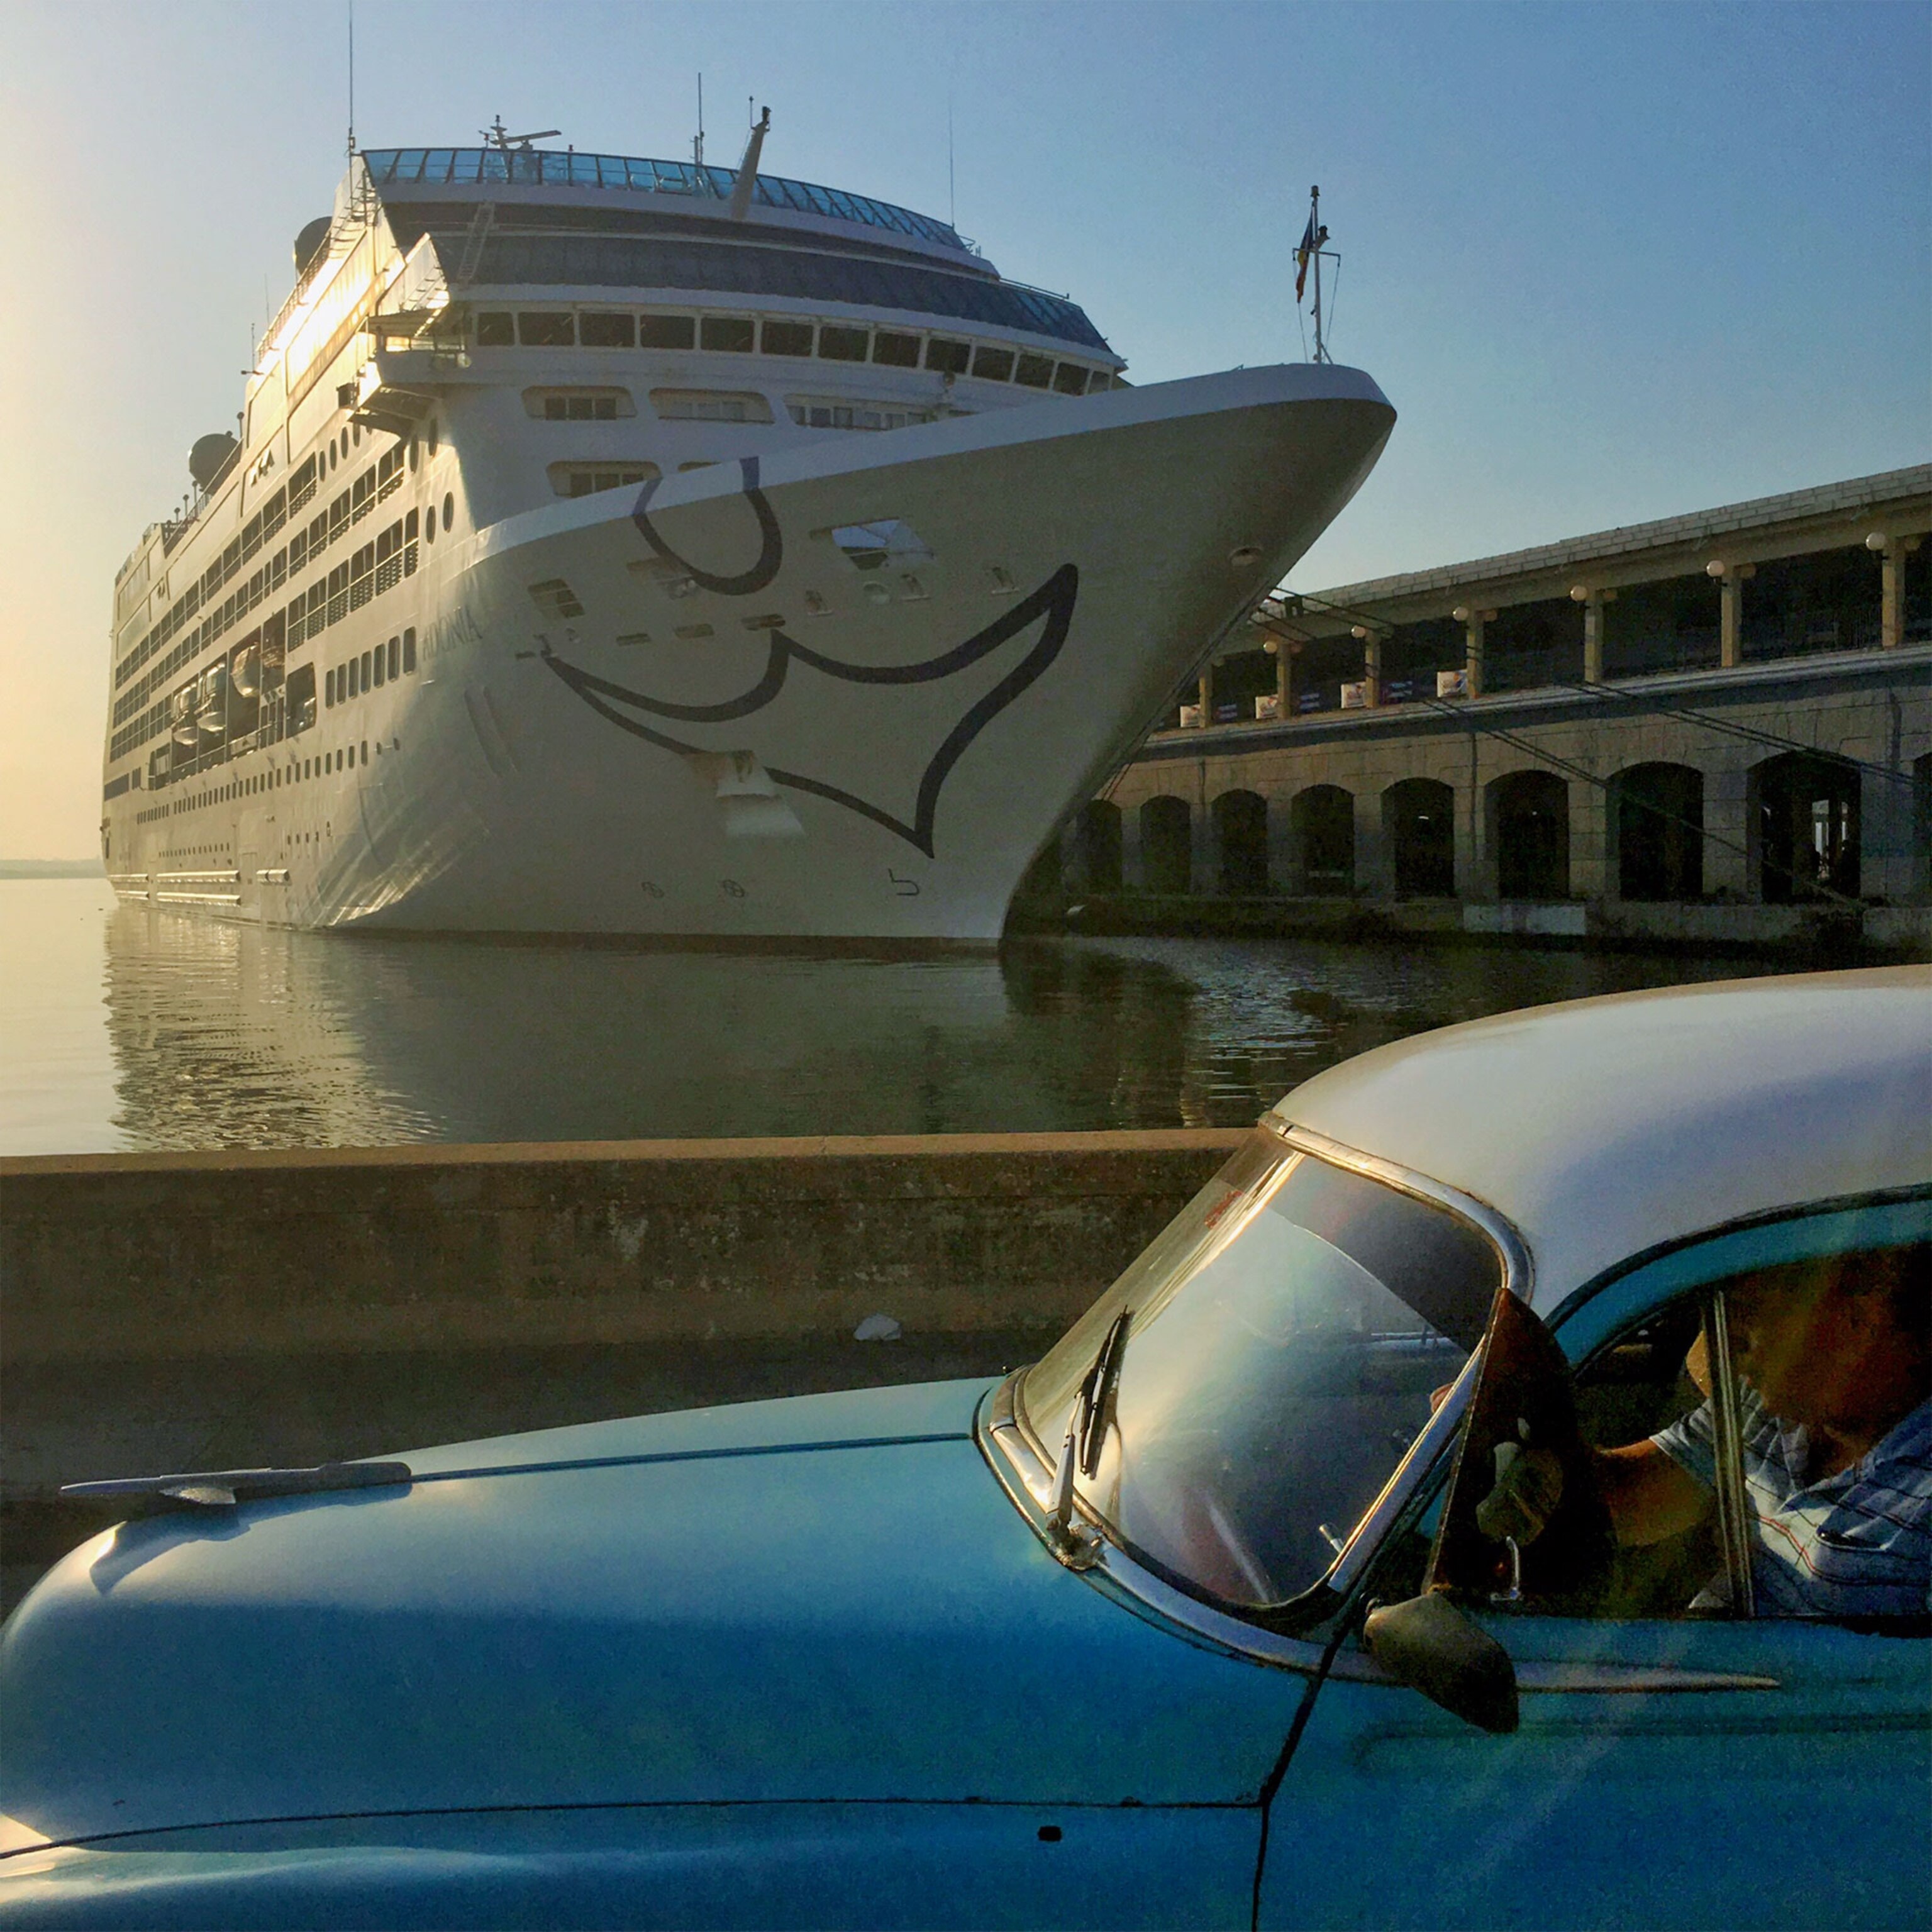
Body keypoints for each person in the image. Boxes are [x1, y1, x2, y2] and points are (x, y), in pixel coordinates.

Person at [1481, 1245, 1931, 1618]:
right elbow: (1629, 1496)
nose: (1724, 1348)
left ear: (1859, 1323)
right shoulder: (1762, 1406)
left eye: (1748, 1318)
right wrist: (1519, 1428)